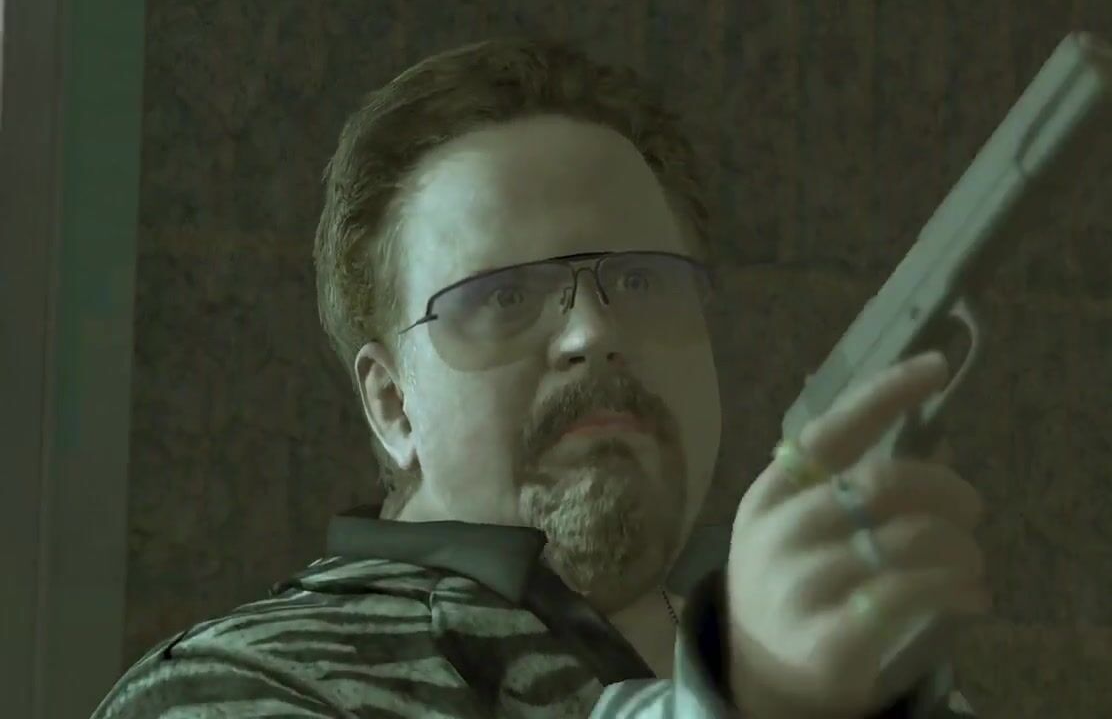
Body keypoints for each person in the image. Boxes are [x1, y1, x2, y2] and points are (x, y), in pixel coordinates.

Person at [91, 38, 989, 718]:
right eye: (503, 297)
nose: (594, 333)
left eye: (642, 282)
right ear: (392, 403)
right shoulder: (234, 686)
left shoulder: (861, 675)